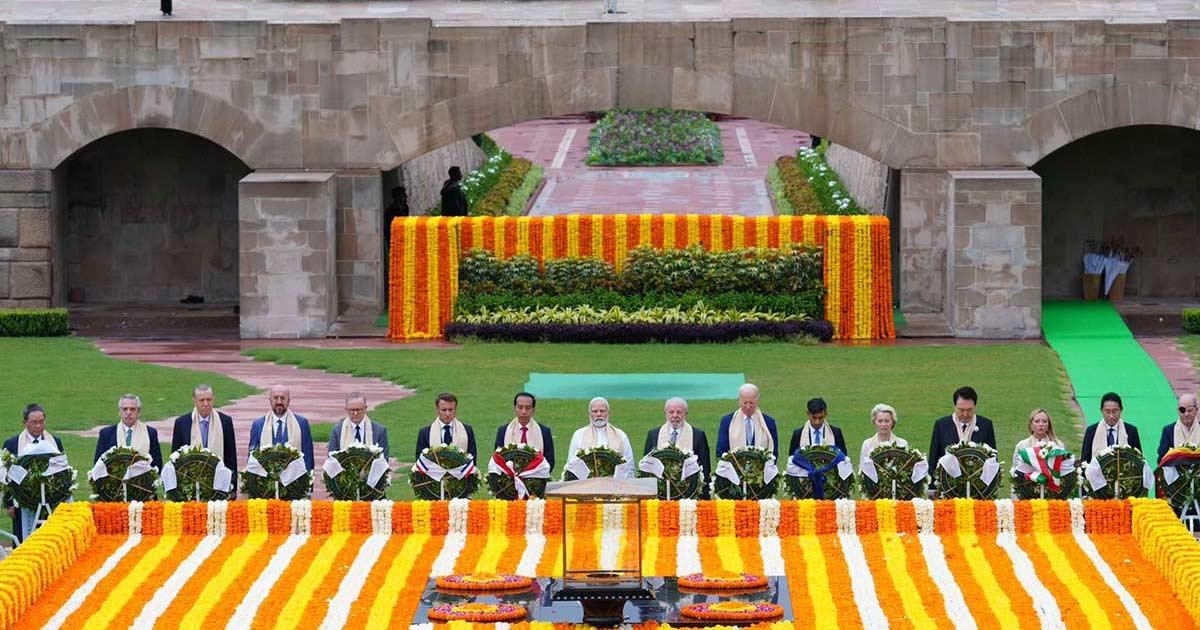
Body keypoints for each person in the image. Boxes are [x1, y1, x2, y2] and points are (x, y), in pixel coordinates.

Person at [4, 403, 65, 542]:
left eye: (41, 422)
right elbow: (6, 475)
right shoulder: (12, 444)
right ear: (24, 422)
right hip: (21, 503)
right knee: (23, 541)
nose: (38, 426)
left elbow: (63, 471)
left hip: (51, 501)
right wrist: (9, 504)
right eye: (34, 422)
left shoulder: (55, 442)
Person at [171, 385, 238, 492]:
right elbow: (175, 457)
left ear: (214, 399)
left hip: (219, 483)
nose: (206, 404)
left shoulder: (225, 421)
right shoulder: (182, 423)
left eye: (209, 399)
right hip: (191, 483)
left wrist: (233, 487)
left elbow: (231, 456)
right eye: (202, 400)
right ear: (194, 400)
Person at [927, 386, 997, 471]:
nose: (965, 414)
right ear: (954, 406)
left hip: (978, 478)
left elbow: (993, 459)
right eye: (961, 410)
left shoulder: (986, 425)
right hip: (947, 478)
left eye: (969, 410)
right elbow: (933, 459)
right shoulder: (941, 425)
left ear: (975, 406)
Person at [248, 384, 316, 471]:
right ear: (270, 400)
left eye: (283, 398)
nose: (279, 402)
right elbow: (252, 460)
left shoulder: (301, 423)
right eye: (275, 398)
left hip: (294, 477)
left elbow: (308, 458)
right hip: (266, 477)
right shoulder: (258, 425)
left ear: (289, 401)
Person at [642, 397, 711, 479]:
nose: (675, 415)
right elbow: (646, 465)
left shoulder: (698, 435)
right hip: (659, 484)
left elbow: (705, 467)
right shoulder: (654, 434)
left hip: (689, 484)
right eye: (671, 412)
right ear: (665, 413)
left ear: (686, 414)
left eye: (679, 412)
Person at [566, 397, 635, 478]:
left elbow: (629, 464)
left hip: (615, 483)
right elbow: (571, 464)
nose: (598, 414)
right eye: (595, 411)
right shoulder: (579, 435)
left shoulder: (621, 435)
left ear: (608, 413)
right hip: (586, 483)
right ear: (589, 414)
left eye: (602, 411)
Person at [95, 394, 163, 471]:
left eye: (132, 409)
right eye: (125, 409)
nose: (128, 412)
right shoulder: (106, 434)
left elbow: (157, 464)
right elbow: (98, 464)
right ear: (119, 412)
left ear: (138, 412)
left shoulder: (150, 433)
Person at [716, 383, 779, 460]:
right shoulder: (727, 421)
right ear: (739, 401)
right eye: (745, 402)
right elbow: (721, 452)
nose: (748, 407)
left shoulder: (769, 422)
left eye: (751, 403)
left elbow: (774, 453)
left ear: (757, 401)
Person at [494, 392, 554, 471]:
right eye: (520, 407)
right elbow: (497, 459)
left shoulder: (544, 432)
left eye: (528, 408)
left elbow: (550, 461)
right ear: (515, 408)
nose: (524, 411)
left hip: (536, 477)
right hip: (509, 477)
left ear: (533, 410)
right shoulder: (503, 431)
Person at [1081, 391, 1142, 462]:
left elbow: (1138, 459)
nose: (1111, 416)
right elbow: (1085, 461)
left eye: (1114, 411)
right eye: (1107, 411)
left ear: (1121, 410)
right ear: (1101, 410)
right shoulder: (1091, 431)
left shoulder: (1131, 431)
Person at [328, 392, 390, 461]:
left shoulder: (379, 430)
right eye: (352, 410)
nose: (355, 413)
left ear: (365, 408)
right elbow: (332, 458)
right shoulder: (337, 430)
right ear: (346, 409)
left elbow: (384, 459)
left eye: (358, 410)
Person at [415, 393, 477, 461]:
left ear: (455, 409)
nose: (447, 414)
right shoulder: (425, 432)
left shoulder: (467, 430)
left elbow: (472, 458)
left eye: (450, 410)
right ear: (437, 410)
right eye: (444, 410)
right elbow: (420, 460)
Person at [1157, 393, 1200, 463]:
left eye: (1189, 410)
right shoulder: (1168, 430)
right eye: (1182, 410)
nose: (1186, 414)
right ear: (1178, 411)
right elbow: (1161, 459)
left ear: (1196, 410)